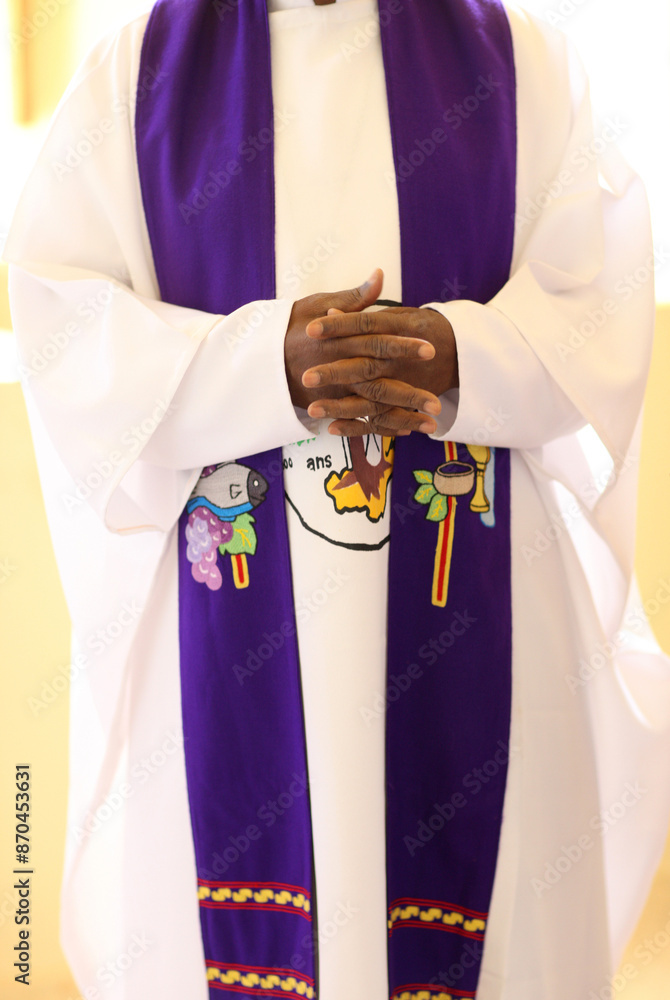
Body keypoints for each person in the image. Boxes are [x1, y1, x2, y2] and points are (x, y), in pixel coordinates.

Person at [5, 0, 670, 997]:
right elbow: (60, 313)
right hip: (224, 630)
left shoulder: (521, 61)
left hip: (484, 613)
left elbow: (600, 292)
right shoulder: (134, 73)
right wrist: (265, 363)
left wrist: (458, 356)